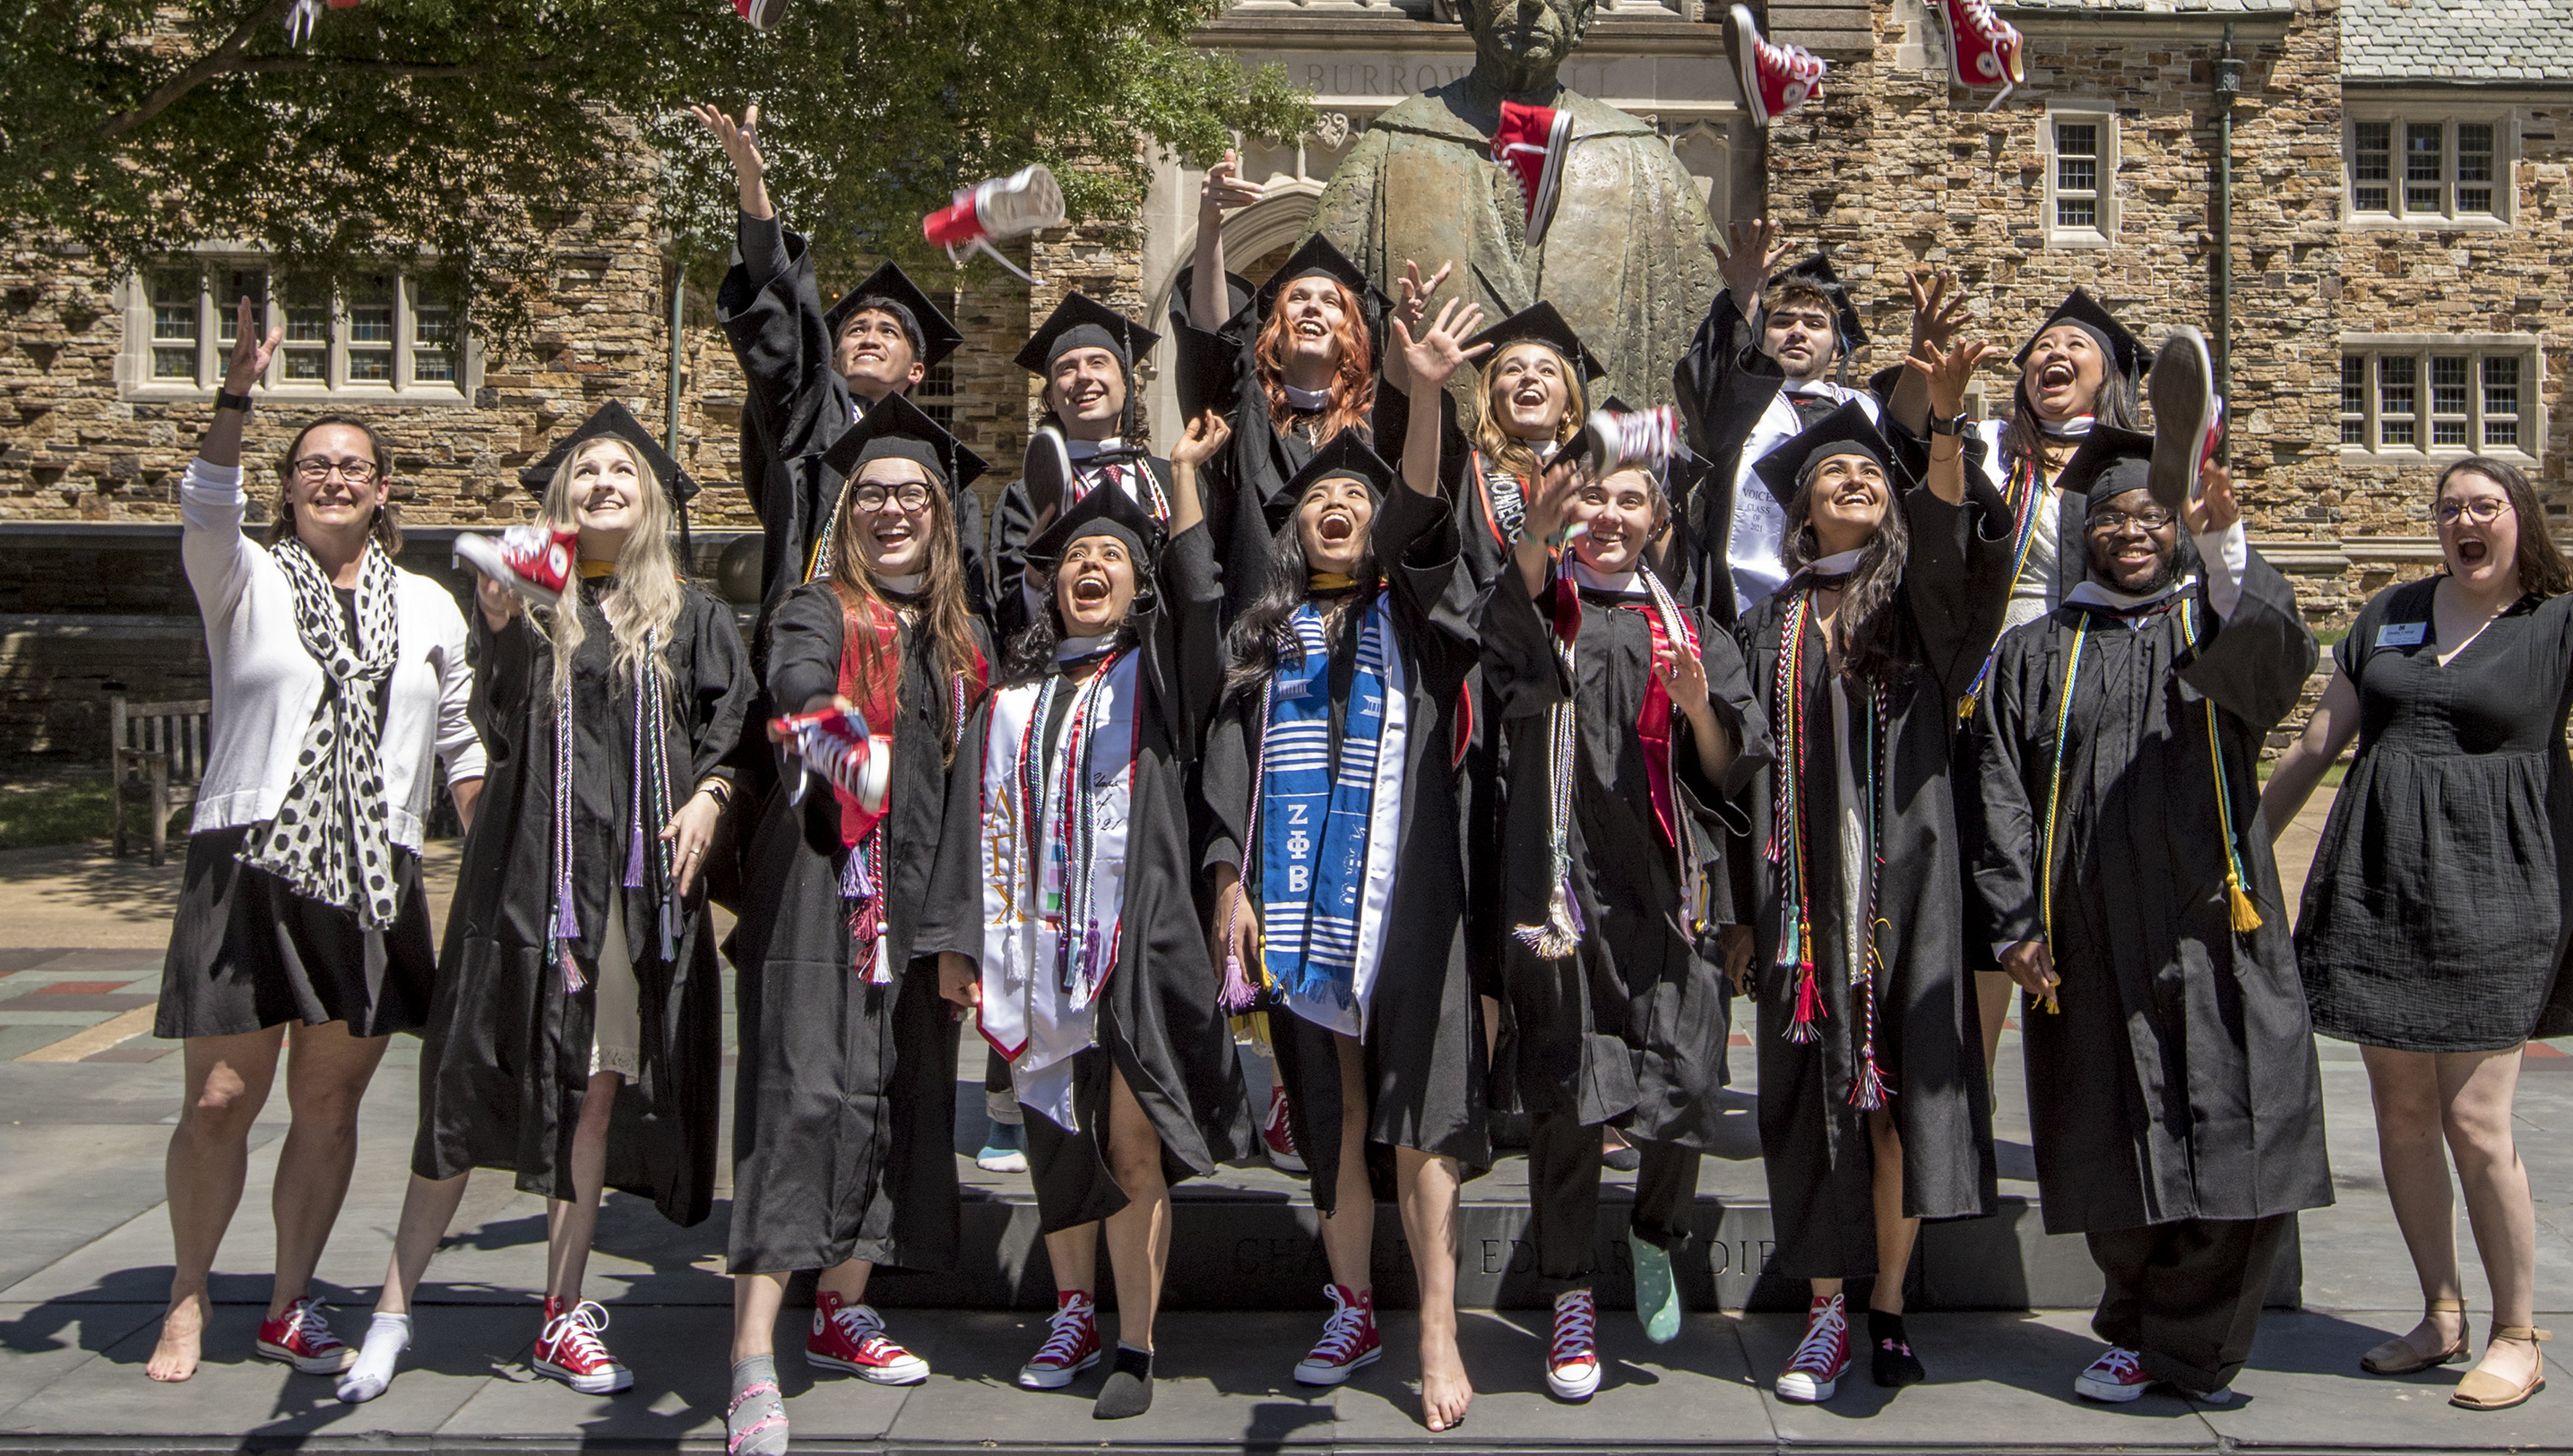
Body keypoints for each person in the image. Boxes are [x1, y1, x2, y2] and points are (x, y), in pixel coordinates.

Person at [339, 403, 751, 1404]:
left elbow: (731, 728)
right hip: (525, 885)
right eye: (585, 471)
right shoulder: (531, 607)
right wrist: (499, 617)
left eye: (622, 470)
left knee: (595, 1089)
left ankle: (561, 1312)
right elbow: (500, 715)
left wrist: (711, 793)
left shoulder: (690, 616)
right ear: (560, 500)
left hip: (631, 897)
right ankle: (392, 1307)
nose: (604, 480)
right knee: (466, 1079)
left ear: (648, 496)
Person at [147, 298, 487, 1383]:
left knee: (328, 1098)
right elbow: (207, 498)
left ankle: (291, 1301)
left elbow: (461, 742)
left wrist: (494, 853)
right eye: (313, 465)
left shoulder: (431, 606)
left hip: (371, 867)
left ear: (383, 488)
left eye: (354, 465)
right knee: (219, 1100)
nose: (334, 478)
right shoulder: (240, 577)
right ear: (288, 487)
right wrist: (236, 399)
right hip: (248, 853)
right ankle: (189, 1292)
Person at [1973, 426, 2329, 1405]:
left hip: (2216, 929)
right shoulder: (2041, 649)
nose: (2131, 531)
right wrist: (2013, 921)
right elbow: (2000, 789)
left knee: (2243, 1134)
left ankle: (2189, 1344)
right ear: (2086, 530)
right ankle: (2133, 1324)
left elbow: (2277, 665)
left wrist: (2226, 549)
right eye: (2113, 515)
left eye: (2152, 514)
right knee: (2105, 1132)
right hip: (2085, 938)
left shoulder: (2209, 622)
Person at [923, 409, 1252, 1420]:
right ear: (1052, 581)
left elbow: (1201, 604)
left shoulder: (1156, 683)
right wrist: (956, 944)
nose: (1091, 567)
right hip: (1031, 951)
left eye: (1111, 554)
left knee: (1132, 1141)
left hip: (1133, 948)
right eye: (1075, 557)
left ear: (1135, 582)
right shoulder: (1010, 697)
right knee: (1055, 1140)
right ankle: (1072, 1307)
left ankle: (1136, 1341)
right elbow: (970, 822)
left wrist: (1188, 482)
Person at [1198, 296, 1487, 1430]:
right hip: (1294, 899)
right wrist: (1229, 880)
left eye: (1351, 498)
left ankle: (1439, 1327)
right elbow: (1227, 765)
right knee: (1334, 1107)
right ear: (1291, 523)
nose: (1334, 507)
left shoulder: (1411, 610)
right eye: (1317, 495)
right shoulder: (1264, 637)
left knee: (1417, 1110)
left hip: (1407, 895)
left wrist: (1421, 395)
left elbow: (1422, 512)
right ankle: (1353, 1302)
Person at [2265, 455, 2572, 1412]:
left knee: (2476, 1122)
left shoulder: (2557, 621)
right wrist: (2241, 854)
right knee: (2400, 1113)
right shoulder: (2392, 610)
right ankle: (2440, 1310)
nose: (2465, 521)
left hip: (2501, 884)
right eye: (2449, 509)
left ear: (2521, 516)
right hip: (2380, 880)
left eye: (2485, 505)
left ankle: (2517, 1331)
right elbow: (2320, 742)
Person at [1478, 397, 1769, 1404]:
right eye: (1595, 496)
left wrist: (1695, 705)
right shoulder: (1541, 598)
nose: (1609, 513)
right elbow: (1496, 646)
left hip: (1667, 891)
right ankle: (1566, 1292)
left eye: (1629, 500)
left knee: (1685, 1081)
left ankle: (1653, 1230)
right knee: (1567, 1094)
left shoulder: (1688, 628)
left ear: (1661, 522)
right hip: (1562, 887)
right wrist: (1537, 536)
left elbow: (1732, 773)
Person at [718, 397, 994, 1455]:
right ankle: (750, 1358)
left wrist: (964, 930)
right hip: (822, 898)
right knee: (801, 1102)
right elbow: (793, 687)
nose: (891, 510)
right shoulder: (818, 608)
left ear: (940, 514)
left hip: (923, 907)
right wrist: (837, 739)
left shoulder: (964, 643)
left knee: (894, 1099)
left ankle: (840, 1309)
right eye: (871, 494)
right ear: (847, 513)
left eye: (910, 495)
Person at [1731, 364, 2002, 1405]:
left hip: (1905, 894)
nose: (1851, 477)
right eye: (1830, 470)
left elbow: (1952, 544)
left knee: (1891, 1107)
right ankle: (1825, 1309)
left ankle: (1886, 1305)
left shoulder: (1918, 608)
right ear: (1799, 508)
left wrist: (1937, 423)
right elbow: (1737, 768)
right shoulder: (1770, 625)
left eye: (1867, 469)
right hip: (1802, 906)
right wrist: (1735, 914)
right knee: (1814, 1113)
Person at [1887, 285, 2147, 1080]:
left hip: (2101, 693)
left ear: (2109, 376)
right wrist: (1924, 362)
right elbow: (1903, 442)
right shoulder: (1989, 446)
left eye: (2076, 346)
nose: (2053, 355)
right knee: (1985, 892)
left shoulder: (2138, 465)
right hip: (1991, 692)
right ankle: (1972, 1107)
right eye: (2041, 346)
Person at [1302, 0, 1723, 409]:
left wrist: (1748, 304)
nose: (1533, 3)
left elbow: (1711, 363)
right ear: (1465, 8)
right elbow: (1289, 333)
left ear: (1584, 18)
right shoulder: (1389, 150)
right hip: (1434, 469)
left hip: (1592, 473)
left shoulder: (1644, 163)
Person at [693, 103, 977, 622]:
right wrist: (754, 194)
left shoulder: (941, 462)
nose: (868, 337)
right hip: (816, 633)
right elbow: (782, 329)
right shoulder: (810, 416)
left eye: (888, 332)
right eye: (853, 330)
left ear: (918, 370)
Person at [1174, 152, 1390, 614]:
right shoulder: (1250, 424)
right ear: (1275, 327)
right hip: (1262, 643)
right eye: (1298, 298)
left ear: (1352, 334)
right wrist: (1209, 224)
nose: (1313, 307)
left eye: (1331, 301)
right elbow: (1215, 348)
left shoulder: (1374, 429)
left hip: (1358, 638)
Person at [1671, 224, 1883, 625]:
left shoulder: (1864, 413)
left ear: (1837, 347)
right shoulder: (1737, 403)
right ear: (1760, 335)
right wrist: (1743, 299)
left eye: (1815, 324)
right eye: (1782, 321)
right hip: (1733, 610)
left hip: (1848, 612)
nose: (1798, 332)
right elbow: (1705, 389)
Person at [987, 293, 1171, 640]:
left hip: (1158, 676)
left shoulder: (1170, 483)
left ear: (1129, 384)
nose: (1083, 376)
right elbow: (1008, 614)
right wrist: (1034, 576)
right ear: (1052, 398)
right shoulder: (1026, 496)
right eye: (1066, 369)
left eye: (1098, 362)